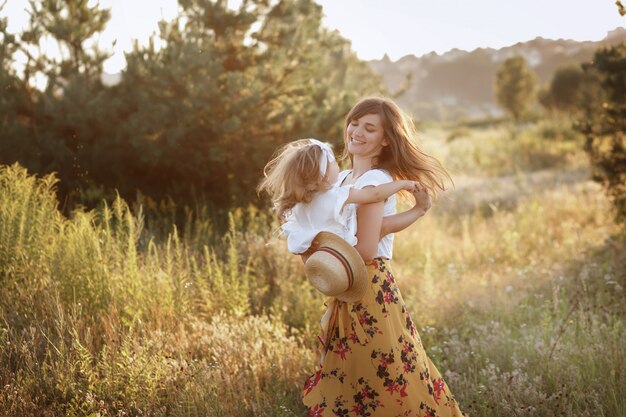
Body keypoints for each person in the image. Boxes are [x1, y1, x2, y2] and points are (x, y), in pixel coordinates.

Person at [301, 97, 468, 417]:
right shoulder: (342, 178)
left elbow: (365, 247)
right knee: (360, 374)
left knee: (384, 375)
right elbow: (372, 229)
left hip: (367, 284)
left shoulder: (375, 180)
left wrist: (417, 212)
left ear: (386, 138)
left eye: (369, 127)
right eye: (354, 122)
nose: (357, 132)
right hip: (348, 280)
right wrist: (416, 212)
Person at [257, 138, 427, 260]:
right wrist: (403, 184)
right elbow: (374, 194)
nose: (338, 166)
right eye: (333, 164)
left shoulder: (300, 204)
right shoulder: (335, 194)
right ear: (324, 175)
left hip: (326, 268)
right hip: (352, 264)